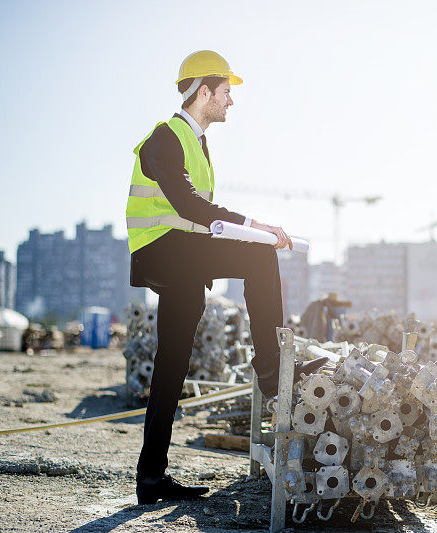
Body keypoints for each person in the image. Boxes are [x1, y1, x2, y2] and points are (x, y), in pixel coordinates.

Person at [126, 50, 327, 505]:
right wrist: (256, 228)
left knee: (172, 364)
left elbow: (196, 215)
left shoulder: (196, 142)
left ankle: (151, 478)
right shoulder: (165, 138)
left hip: (180, 258)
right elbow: (188, 206)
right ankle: (273, 369)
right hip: (163, 250)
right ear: (204, 92)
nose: (231, 102)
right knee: (259, 259)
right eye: (226, 93)